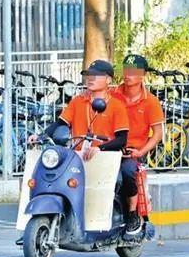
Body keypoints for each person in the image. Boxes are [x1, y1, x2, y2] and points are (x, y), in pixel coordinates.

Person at [28, 59, 134, 222]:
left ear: (108, 80)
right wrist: (40, 136)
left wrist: (100, 148)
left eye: (96, 75)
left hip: (105, 158)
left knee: (124, 177)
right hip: (78, 157)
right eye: (88, 75)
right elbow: (60, 123)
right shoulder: (78, 101)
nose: (90, 78)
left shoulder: (117, 106)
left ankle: (130, 217)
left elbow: (122, 139)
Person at [111, 54, 164, 235]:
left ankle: (133, 214)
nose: (128, 74)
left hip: (133, 152)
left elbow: (157, 134)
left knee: (127, 172)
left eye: (133, 71)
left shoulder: (151, 102)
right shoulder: (112, 96)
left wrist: (140, 151)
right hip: (110, 148)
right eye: (126, 70)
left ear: (143, 75)